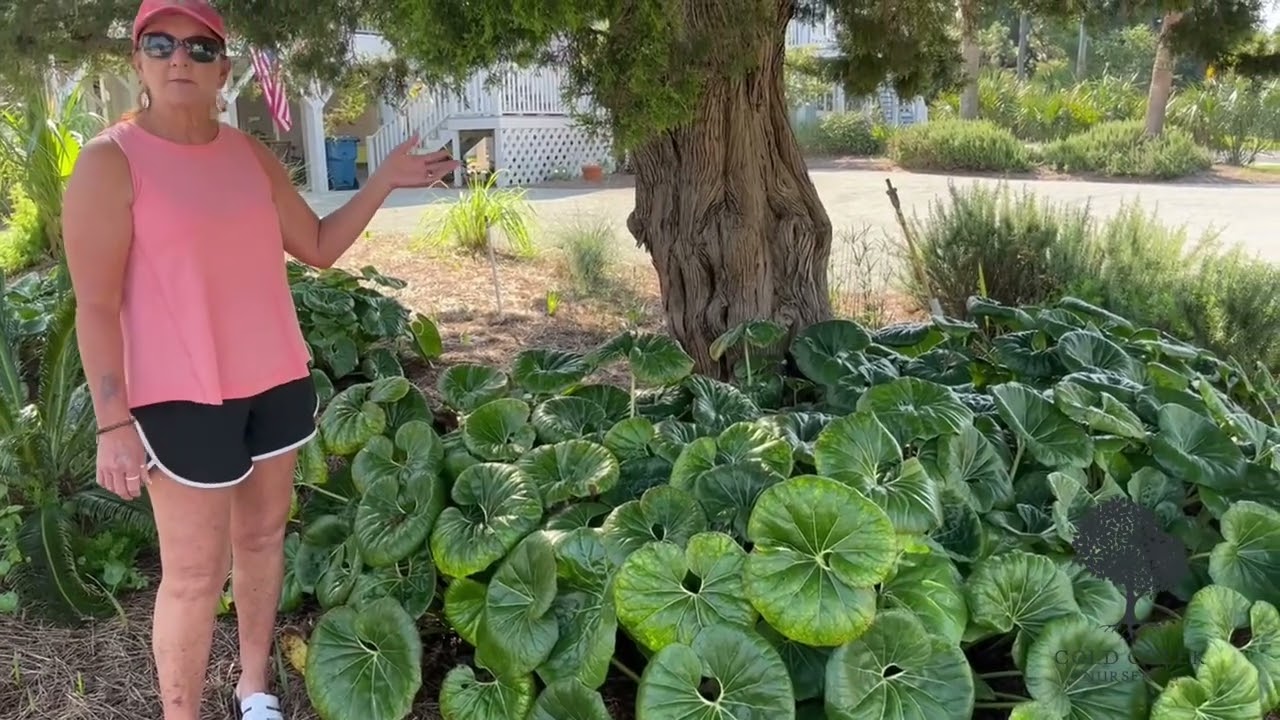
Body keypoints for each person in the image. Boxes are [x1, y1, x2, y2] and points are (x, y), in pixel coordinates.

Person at [60, 1, 458, 718]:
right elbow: (93, 306)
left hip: (274, 378)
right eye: (161, 43)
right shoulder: (109, 163)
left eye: (199, 47)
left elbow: (319, 246)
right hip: (178, 396)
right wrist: (112, 423)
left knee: (263, 538)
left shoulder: (249, 155)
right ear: (137, 61)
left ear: (224, 69)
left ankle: (253, 688)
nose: (180, 58)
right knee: (192, 574)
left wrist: (385, 179)